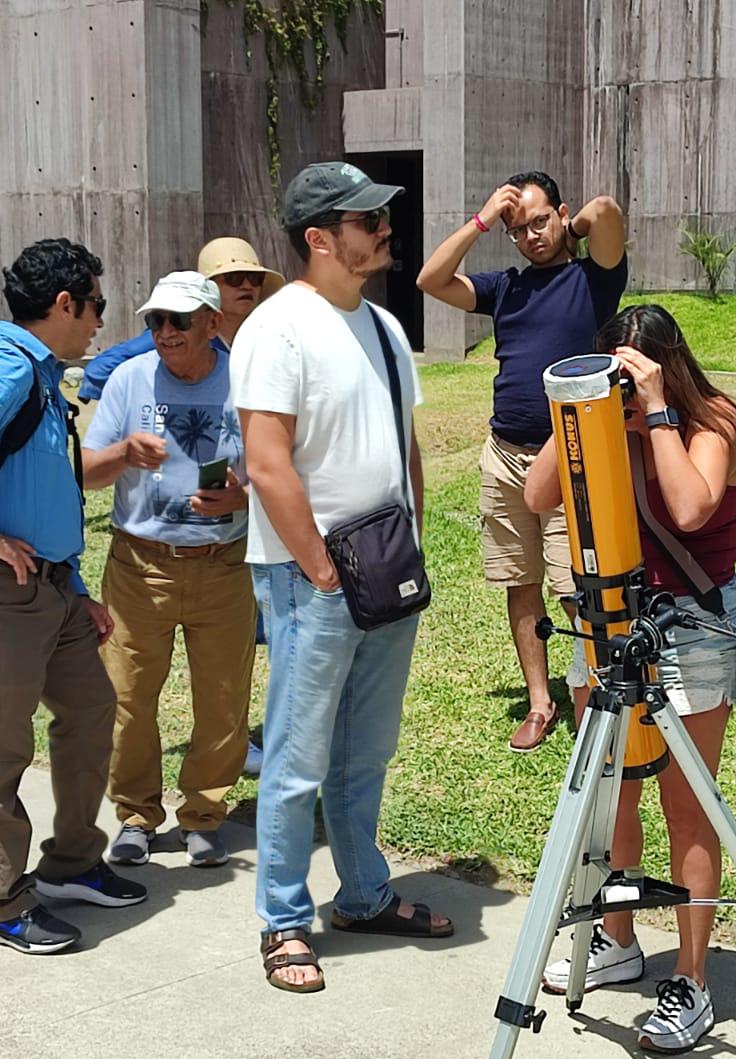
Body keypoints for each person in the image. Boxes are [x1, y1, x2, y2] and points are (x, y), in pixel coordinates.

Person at [234, 161, 453, 994]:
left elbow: (405, 449)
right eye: (365, 220)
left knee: (369, 750)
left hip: (386, 569)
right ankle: (283, 920)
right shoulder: (277, 327)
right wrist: (320, 569)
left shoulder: (386, 328)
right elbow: (267, 463)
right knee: (297, 756)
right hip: (313, 579)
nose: (383, 229)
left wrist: (414, 544)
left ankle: (363, 894)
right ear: (319, 238)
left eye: (381, 216)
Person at [0, 237, 148, 955]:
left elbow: (44, 490)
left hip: (52, 590)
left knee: (92, 709)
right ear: (65, 304)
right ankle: (0, 902)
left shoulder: (44, 375)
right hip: (2, 593)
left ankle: (72, 864)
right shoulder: (8, 367)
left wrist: (75, 586)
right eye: (97, 305)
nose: (101, 322)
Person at [523, 304, 736, 1054]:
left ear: (667, 367)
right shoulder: (599, 420)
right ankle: (616, 937)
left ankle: (691, 975)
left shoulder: (712, 423)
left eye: (638, 375)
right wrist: (576, 407)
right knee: (610, 795)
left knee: (689, 807)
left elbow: (689, 509)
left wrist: (655, 414)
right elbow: (537, 496)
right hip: (610, 624)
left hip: (690, 631)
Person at [417, 171, 627, 752]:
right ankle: (541, 703)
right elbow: (431, 279)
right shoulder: (506, 287)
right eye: (519, 230)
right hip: (504, 454)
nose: (531, 237)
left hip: (569, 458)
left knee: (576, 584)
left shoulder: (593, 280)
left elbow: (606, 208)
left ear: (561, 214)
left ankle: (598, 698)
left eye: (540, 222)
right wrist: (485, 219)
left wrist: (568, 230)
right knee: (520, 580)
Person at [76, 239, 285, 779]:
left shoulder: (249, 379)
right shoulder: (129, 380)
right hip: (139, 567)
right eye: (157, 322)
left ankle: (204, 816)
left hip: (223, 565)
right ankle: (135, 817)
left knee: (222, 704)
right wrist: (123, 453)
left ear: (210, 325)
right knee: (126, 698)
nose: (166, 333)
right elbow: (86, 475)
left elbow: (287, 473)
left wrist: (243, 495)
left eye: (179, 322)